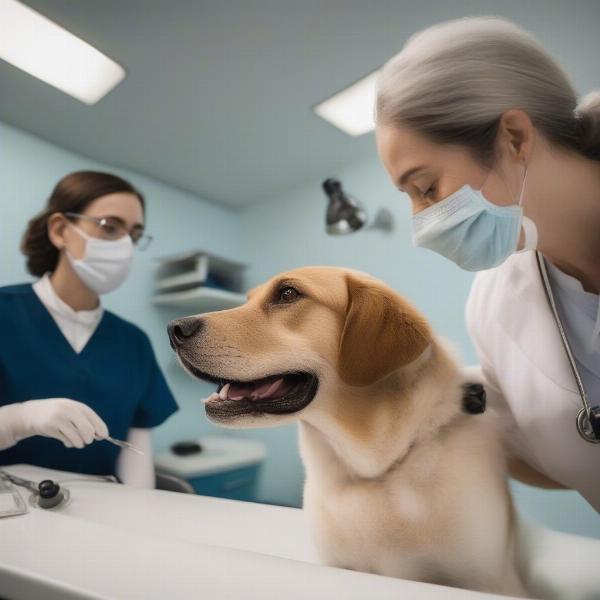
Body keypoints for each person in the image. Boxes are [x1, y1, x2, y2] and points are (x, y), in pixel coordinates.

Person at [375, 16, 600, 511]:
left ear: (515, 137)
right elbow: (544, 449)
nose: (422, 224)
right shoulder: (494, 301)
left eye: (425, 188)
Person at [0, 171, 178, 487]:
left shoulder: (134, 342)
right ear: (59, 230)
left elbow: (136, 452)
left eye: (134, 235)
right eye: (110, 227)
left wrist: (140, 511)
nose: (125, 245)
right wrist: (18, 420)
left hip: (101, 509)